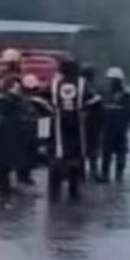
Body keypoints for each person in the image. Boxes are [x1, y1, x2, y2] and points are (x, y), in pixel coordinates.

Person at [0, 49, 27, 198]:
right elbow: (13, 99)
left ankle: (1, 185)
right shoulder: (14, 80)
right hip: (11, 120)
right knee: (9, 153)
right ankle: (5, 186)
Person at [47, 57, 86, 200]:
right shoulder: (82, 83)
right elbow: (94, 99)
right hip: (76, 124)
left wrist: (52, 109)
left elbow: (41, 98)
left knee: (57, 156)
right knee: (75, 156)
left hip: (58, 124)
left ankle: (54, 190)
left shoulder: (55, 83)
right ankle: (73, 190)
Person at [101, 67, 130, 183]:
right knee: (107, 153)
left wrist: (124, 123)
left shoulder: (125, 95)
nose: (111, 82)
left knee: (119, 154)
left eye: (113, 80)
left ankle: (118, 176)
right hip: (109, 128)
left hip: (118, 129)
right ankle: (105, 175)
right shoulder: (105, 94)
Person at [80, 64, 104, 182]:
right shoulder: (90, 89)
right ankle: (90, 173)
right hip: (89, 123)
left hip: (89, 124)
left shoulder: (85, 88)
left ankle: (86, 173)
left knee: (88, 150)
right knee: (90, 150)